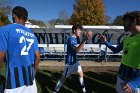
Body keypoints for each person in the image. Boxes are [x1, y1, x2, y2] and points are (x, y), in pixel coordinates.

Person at [0, 6, 40, 93]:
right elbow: (37, 56)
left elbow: (1, 56)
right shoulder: (32, 34)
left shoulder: (5, 30)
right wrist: (35, 70)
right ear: (26, 18)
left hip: (14, 82)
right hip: (31, 80)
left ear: (14, 15)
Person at [99, 11, 140, 93]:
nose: (123, 24)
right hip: (121, 75)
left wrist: (135, 83)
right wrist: (105, 42)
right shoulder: (127, 38)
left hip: (135, 81)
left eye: (125, 21)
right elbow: (116, 50)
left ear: (134, 21)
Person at [54, 24, 93, 93]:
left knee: (81, 74)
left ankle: (84, 90)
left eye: (80, 30)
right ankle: (55, 90)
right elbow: (77, 50)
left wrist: (85, 40)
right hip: (70, 64)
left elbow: (78, 49)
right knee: (63, 79)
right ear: (74, 30)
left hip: (75, 62)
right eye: (78, 30)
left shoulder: (74, 39)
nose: (80, 31)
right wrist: (84, 39)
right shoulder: (70, 39)